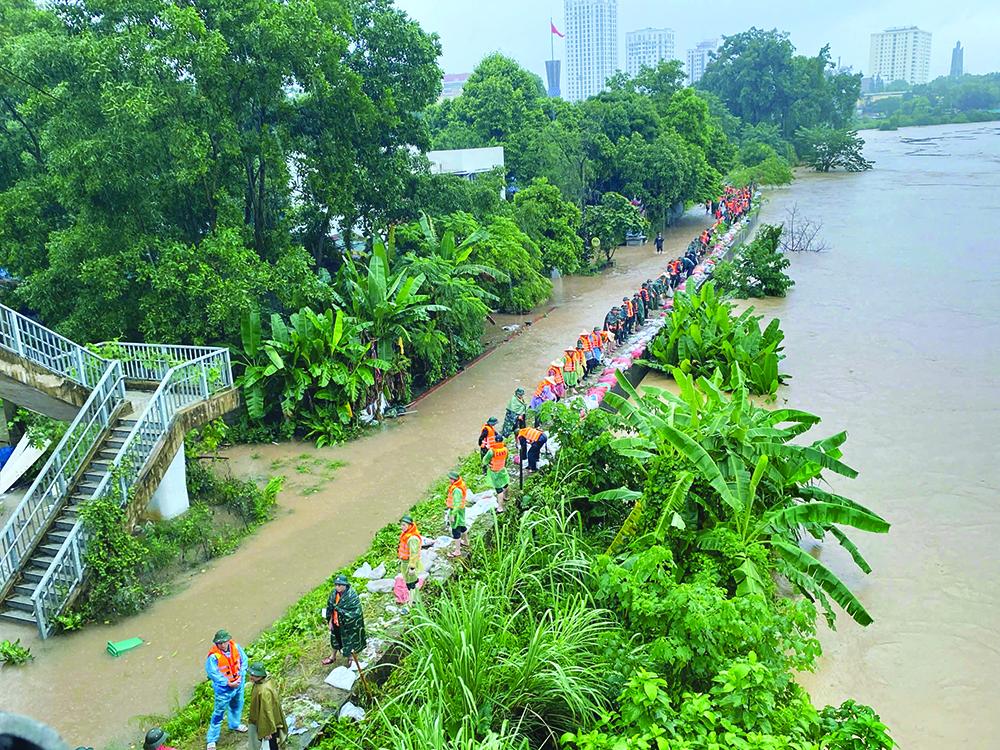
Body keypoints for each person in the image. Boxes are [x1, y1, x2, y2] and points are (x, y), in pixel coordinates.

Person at [205, 629, 248, 750]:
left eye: (224, 642)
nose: (222, 645)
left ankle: (234, 724)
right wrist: (228, 683)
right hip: (223, 690)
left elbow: (244, 661)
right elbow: (213, 674)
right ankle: (212, 739)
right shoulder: (213, 657)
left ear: (228, 640)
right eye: (219, 643)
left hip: (238, 684)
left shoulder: (236, 647)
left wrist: (240, 675)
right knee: (218, 713)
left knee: (237, 705)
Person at [323, 574, 366, 665]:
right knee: (335, 638)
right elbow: (330, 608)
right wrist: (330, 622)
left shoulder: (351, 596)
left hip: (347, 624)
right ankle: (332, 656)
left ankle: (351, 657)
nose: (337, 587)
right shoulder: (333, 594)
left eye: (339, 585)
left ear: (345, 585)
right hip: (336, 622)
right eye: (336, 585)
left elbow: (356, 612)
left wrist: (342, 612)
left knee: (349, 640)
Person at [247, 662, 286, 750]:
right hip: (266, 718)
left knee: (270, 742)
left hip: (267, 723)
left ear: (260, 676)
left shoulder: (264, 691)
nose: (251, 677)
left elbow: (266, 712)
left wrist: (267, 730)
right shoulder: (264, 681)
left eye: (254, 675)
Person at [482, 435, 510, 512]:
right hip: (502, 469)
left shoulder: (492, 451)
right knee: (505, 483)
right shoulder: (505, 449)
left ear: (495, 441)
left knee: (499, 490)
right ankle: (507, 497)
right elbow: (506, 458)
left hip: (495, 471)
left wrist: (488, 464)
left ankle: (500, 508)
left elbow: (484, 461)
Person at [445, 471, 469, 557]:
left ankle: (457, 551)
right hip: (461, 510)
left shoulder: (456, 490)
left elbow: (457, 503)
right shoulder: (460, 484)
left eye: (450, 479)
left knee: (456, 529)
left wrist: (452, 514)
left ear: (453, 480)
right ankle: (466, 542)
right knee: (462, 526)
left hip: (456, 511)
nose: (449, 480)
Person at [397, 514, 423, 592]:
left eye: (404, 525)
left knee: (411, 584)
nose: (402, 527)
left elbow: (414, 554)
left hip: (409, 563)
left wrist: (412, 568)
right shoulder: (405, 535)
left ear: (410, 526)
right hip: (405, 562)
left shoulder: (412, 539)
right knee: (409, 581)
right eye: (401, 525)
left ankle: (413, 601)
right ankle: (412, 599)